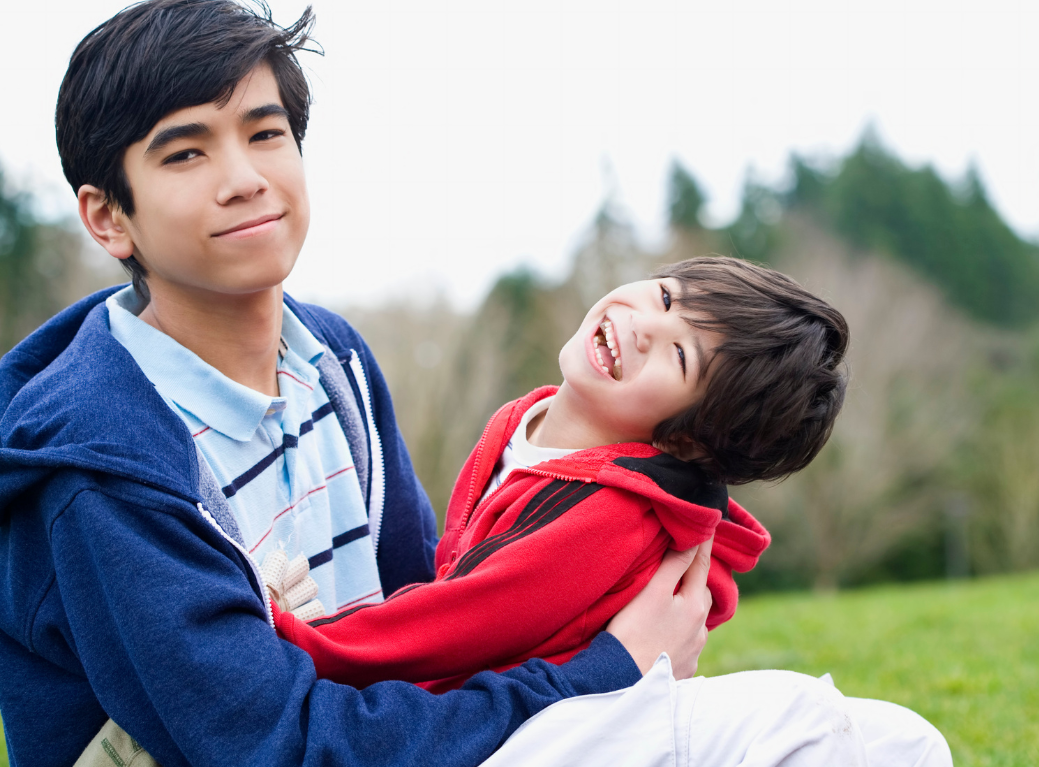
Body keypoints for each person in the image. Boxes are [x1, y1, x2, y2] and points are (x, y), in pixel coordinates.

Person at [0, 0, 951, 767]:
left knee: (879, 740)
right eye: (186, 152)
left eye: (266, 132)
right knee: (819, 736)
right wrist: (605, 671)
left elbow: (436, 605)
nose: (245, 177)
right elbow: (273, 745)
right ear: (108, 219)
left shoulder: (331, 360)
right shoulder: (100, 466)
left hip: (398, 740)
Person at [274, 257, 844, 693]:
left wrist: (286, 637)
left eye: (679, 357)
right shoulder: (527, 419)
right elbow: (457, 574)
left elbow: (459, 623)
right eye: (666, 298)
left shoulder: (609, 520)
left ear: (684, 440)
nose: (646, 326)